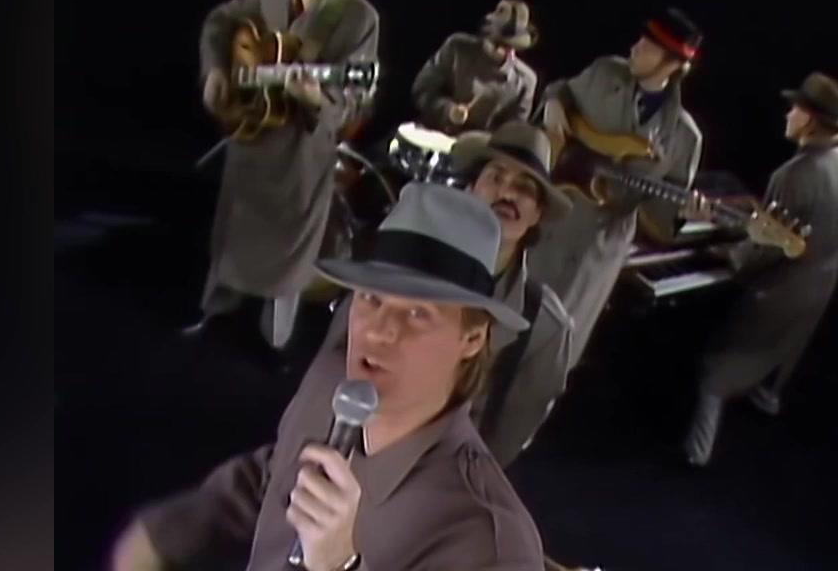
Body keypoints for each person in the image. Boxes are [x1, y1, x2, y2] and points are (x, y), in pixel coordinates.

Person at [111, 183, 548, 570]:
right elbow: (272, 477)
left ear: (471, 338)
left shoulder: (487, 541)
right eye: (371, 298)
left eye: (418, 313)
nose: (380, 330)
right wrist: (162, 536)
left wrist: (340, 565)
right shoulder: (331, 386)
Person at [184, 0, 381, 350]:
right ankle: (216, 313)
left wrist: (316, 97)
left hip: (299, 156)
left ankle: (274, 340)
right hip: (251, 136)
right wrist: (215, 71)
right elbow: (220, 22)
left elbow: (354, 101)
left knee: (287, 252)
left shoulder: (357, 17)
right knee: (234, 233)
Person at [318, 121, 575, 468]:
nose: (507, 193)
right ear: (471, 188)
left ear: (538, 214)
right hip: (339, 447)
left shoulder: (545, 328)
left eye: (525, 188)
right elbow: (328, 369)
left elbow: (503, 441)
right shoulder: (394, 272)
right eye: (496, 177)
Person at [684, 72, 838, 467]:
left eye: (795, 109)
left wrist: (725, 253)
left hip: (781, 289)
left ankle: (698, 452)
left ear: (810, 119)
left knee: (718, 368)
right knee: (786, 348)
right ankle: (768, 396)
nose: (788, 114)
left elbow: (765, 246)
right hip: (823, 280)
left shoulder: (793, 175)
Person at [528, 7, 714, 368]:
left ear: (674, 64)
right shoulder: (604, 72)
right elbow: (561, 90)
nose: (636, 47)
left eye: (650, 45)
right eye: (641, 38)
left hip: (591, 253)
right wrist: (552, 104)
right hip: (546, 220)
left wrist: (685, 213)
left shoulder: (684, 137)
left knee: (546, 355)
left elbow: (661, 222)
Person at [411, 0, 540, 134]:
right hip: (435, 132)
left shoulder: (526, 80)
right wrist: (448, 110)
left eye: (511, 46)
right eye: (497, 44)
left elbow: (513, 130)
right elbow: (422, 89)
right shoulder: (457, 48)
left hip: (480, 145)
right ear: (487, 36)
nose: (504, 52)